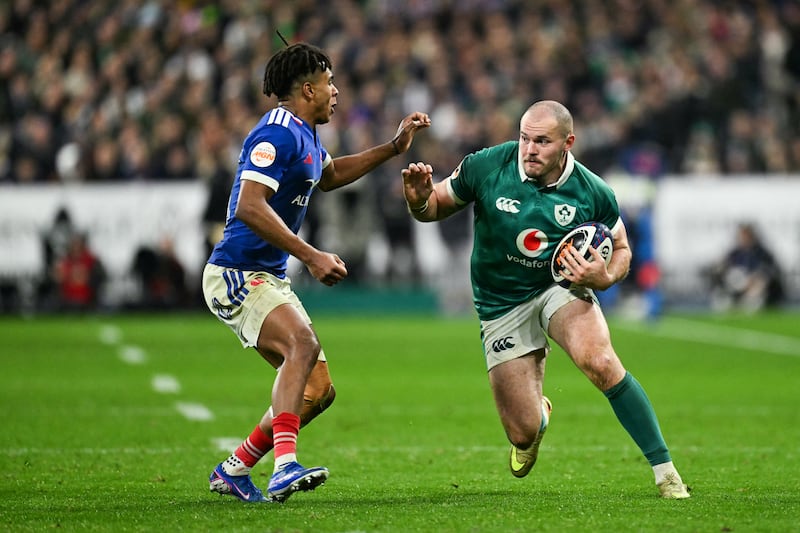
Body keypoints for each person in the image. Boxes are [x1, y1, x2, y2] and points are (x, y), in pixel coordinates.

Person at [400, 100, 690, 499]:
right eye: (524, 139)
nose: (529, 149)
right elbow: (433, 206)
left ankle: (666, 472)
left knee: (600, 362)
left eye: (541, 141)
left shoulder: (593, 191)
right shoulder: (487, 166)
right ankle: (537, 415)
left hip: (560, 286)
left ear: (567, 143)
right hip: (500, 301)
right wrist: (418, 200)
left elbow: (621, 247)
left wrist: (604, 276)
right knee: (521, 433)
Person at [202, 42, 430, 503]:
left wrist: (392, 147)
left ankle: (236, 467)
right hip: (236, 272)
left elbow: (328, 176)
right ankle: (284, 466)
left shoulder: (306, 135)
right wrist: (310, 254)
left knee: (318, 391)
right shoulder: (276, 134)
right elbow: (249, 205)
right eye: (329, 84)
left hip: (265, 276)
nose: (336, 92)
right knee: (301, 345)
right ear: (308, 88)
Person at [708, 222, 784, 312]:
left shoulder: (762, 253)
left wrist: (755, 280)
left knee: (754, 303)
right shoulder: (734, 253)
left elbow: (769, 272)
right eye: (742, 236)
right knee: (722, 299)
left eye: (746, 235)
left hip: (756, 290)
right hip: (736, 288)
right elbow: (722, 268)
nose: (744, 238)